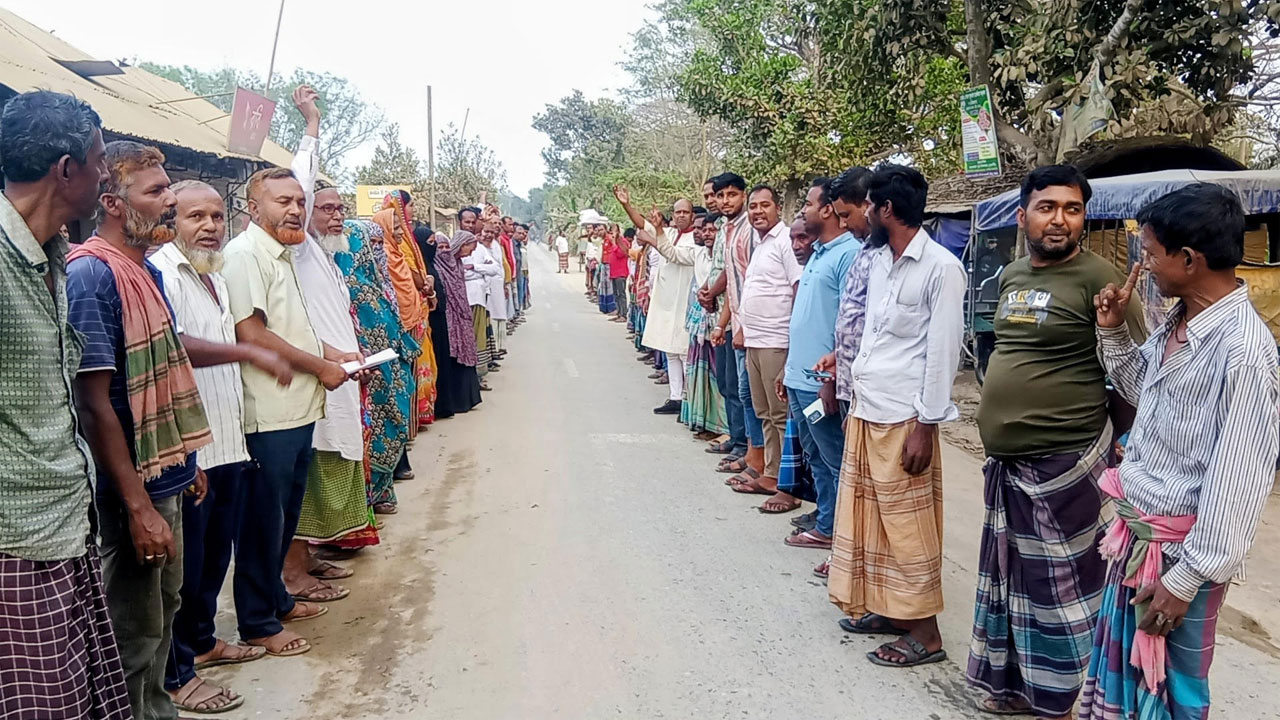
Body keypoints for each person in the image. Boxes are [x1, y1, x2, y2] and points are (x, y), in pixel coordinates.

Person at [1079, 183, 1279, 720]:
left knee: (1171, 694)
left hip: (1178, 560)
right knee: (1132, 684)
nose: (1141, 266)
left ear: (1189, 260)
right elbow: (1141, 391)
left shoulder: (1244, 354)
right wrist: (1114, 332)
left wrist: (1184, 580)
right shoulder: (1177, 322)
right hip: (1140, 540)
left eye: (1148, 253)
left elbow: (1237, 482)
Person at [967, 165, 1146, 718]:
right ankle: (1022, 687)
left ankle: (1069, 700)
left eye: (1072, 209)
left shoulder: (1102, 280)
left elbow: (1136, 371)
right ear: (1023, 216)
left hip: (1066, 463)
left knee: (1065, 593)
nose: (1060, 220)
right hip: (1010, 464)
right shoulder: (1013, 275)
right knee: (1016, 581)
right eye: (1047, 207)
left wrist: (1124, 446)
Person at [67, 141, 217, 720]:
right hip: (132, 489)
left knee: (165, 608)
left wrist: (186, 463)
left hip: (166, 476)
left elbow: (162, 365)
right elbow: (95, 404)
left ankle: (158, 709)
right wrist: (137, 508)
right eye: (157, 193)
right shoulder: (92, 276)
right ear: (111, 201)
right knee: (133, 628)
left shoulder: (144, 270)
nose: (170, 206)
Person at [0, 89, 132, 720]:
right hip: (17, 541)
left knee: (78, 697)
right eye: (101, 159)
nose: (107, 173)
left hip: (64, 524)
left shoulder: (50, 255)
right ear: (66, 169)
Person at [153, 180, 289, 713]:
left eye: (215, 216)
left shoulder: (211, 276)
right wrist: (247, 353)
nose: (209, 226)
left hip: (228, 442)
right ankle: (178, 670)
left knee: (215, 559)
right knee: (186, 571)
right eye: (195, 217)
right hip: (195, 449)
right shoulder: (165, 271)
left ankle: (205, 643)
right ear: (171, 221)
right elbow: (174, 349)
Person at [828, 164, 964, 669]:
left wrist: (925, 426)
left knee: (906, 530)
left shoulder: (942, 268)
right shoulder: (882, 261)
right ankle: (891, 610)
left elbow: (942, 352)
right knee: (872, 523)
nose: (863, 215)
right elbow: (873, 335)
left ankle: (925, 634)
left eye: (869, 207)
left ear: (886, 210)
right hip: (869, 408)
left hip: (905, 420)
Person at [221, 165, 351, 658]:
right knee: (261, 521)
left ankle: (276, 599)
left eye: (299, 201)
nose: (295, 209)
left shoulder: (286, 255)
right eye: (283, 201)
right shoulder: (245, 255)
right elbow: (251, 334)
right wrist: (319, 365)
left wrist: (329, 355)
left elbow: (289, 328)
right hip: (269, 412)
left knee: (283, 516)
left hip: (298, 408)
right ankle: (256, 622)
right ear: (254, 208)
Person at [287, 85, 377, 596]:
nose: (335, 215)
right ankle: (293, 572)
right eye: (325, 208)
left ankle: (313, 556)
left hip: (341, 377)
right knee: (310, 479)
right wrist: (312, 125)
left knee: (329, 471)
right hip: (314, 381)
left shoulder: (329, 257)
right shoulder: (298, 249)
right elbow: (298, 182)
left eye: (342, 207)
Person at [781, 172, 866, 550]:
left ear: (829, 209)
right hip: (800, 376)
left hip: (822, 380)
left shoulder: (848, 253)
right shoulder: (818, 252)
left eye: (809, 204)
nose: (804, 210)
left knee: (833, 457)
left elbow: (847, 322)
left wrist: (832, 378)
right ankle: (826, 517)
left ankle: (836, 531)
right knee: (814, 454)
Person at [334, 220, 422, 516]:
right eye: (369, 246)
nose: (375, 252)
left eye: (377, 245)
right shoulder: (347, 285)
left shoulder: (374, 281)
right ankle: (368, 499)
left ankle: (381, 492)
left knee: (387, 428)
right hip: (365, 373)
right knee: (372, 432)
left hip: (384, 368)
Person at [734, 185, 802, 512]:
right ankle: (769, 471)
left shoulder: (786, 241)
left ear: (778, 209)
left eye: (765, 205)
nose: (758, 211)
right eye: (753, 206)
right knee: (763, 411)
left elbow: (797, 287)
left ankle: (781, 478)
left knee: (779, 414)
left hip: (777, 341)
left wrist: (795, 340)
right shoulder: (760, 244)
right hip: (755, 341)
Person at [704, 173, 767, 487]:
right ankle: (748, 451)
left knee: (756, 398)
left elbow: (755, 284)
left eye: (732, 195)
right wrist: (723, 323)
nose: (726, 201)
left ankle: (758, 458)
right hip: (739, 324)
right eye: (721, 196)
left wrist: (745, 327)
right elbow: (733, 283)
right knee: (742, 391)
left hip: (756, 329)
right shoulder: (727, 230)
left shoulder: (751, 232)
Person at [616, 186, 698, 415]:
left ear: (692, 215)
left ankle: (690, 399)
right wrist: (626, 204)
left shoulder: (696, 238)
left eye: (685, 212)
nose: (681, 215)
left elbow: (673, 254)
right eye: (677, 212)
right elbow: (643, 225)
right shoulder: (669, 232)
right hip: (666, 299)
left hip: (684, 301)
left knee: (684, 352)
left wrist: (656, 235)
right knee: (671, 351)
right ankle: (675, 396)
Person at [416, 225, 483, 418]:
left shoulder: (456, 265)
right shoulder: (434, 268)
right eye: (439, 247)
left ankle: (465, 399)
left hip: (460, 320)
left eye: (446, 247)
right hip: (445, 321)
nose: (444, 251)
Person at [678, 212, 730, 439]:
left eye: (711, 230)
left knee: (720, 378)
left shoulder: (723, 257)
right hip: (701, 321)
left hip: (720, 323)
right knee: (703, 373)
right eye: (702, 229)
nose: (705, 234)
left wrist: (709, 295)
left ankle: (724, 429)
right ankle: (703, 422)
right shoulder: (699, 255)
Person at [461, 229, 501, 383]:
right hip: (464, 301)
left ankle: (478, 375)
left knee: (479, 337)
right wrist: (480, 272)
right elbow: (459, 273)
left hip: (479, 299)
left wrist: (475, 268)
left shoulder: (480, 249)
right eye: (467, 222)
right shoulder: (455, 248)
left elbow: (494, 269)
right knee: (468, 338)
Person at [602, 224, 632, 322]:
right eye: (611, 232)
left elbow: (621, 254)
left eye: (614, 232)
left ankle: (623, 314)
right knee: (615, 293)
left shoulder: (623, 242)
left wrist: (614, 243)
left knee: (621, 294)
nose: (612, 235)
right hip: (613, 272)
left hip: (621, 272)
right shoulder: (611, 243)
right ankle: (619, 313)